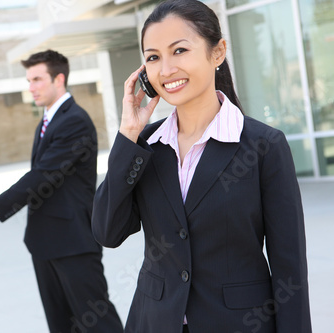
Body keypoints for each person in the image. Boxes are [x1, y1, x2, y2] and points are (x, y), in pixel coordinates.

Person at [91, 1, 312, 332]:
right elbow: (107, 232)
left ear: (218, 52)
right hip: (154, 322)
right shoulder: (146, 146)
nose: (165, 69)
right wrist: (127, 137)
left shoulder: (263, 146)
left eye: (179, 50)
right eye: (153, 57)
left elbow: (289, 267)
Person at [0, 50, 123, 333]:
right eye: (29, 80)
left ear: (59, 79)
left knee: (97, 320)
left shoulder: (74, 120)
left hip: (73, 241)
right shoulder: (48, 120)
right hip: (45, 242)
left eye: (38, 79)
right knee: (61, 323)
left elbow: (44, 175)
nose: (31, 88)